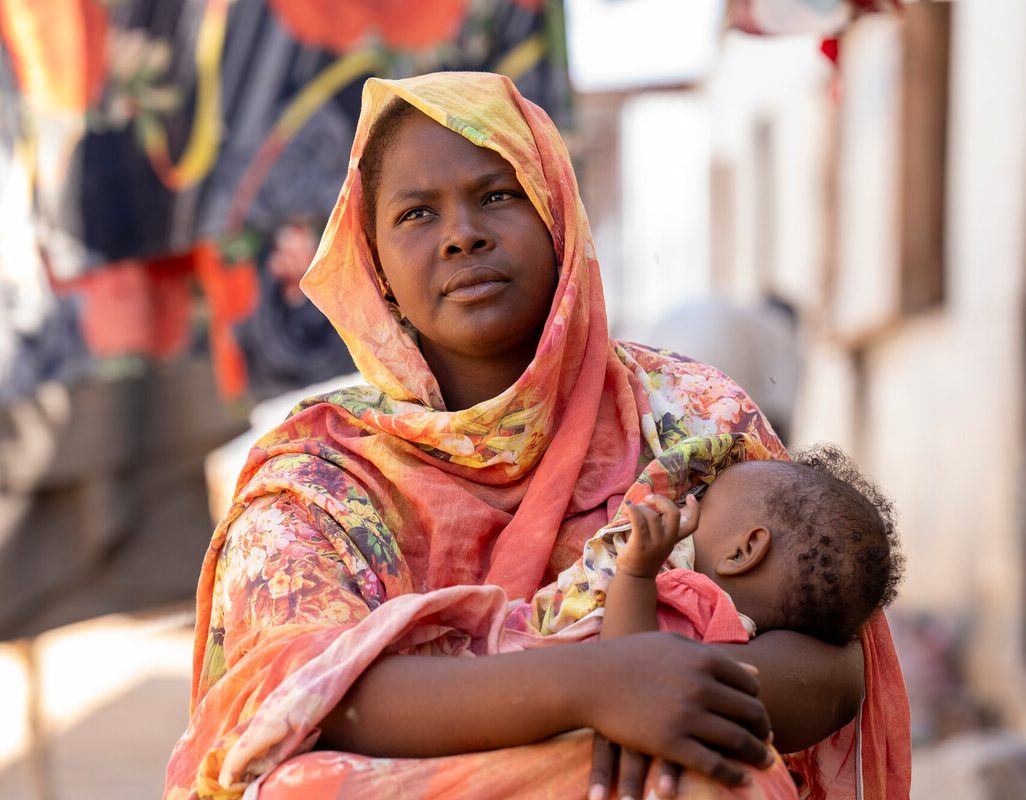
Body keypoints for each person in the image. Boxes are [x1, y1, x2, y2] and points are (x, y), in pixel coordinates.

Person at [164, 72, 910, 800]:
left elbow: (836, 661)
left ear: (557, 214)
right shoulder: (319, 478)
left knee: (711, 769)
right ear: (376, 267)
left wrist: (670, 693)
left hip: (654, 764)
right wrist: (595, 688)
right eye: (417, 214)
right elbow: (294, 693)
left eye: (498, 194)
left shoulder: (685, 411)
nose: (461, 235)